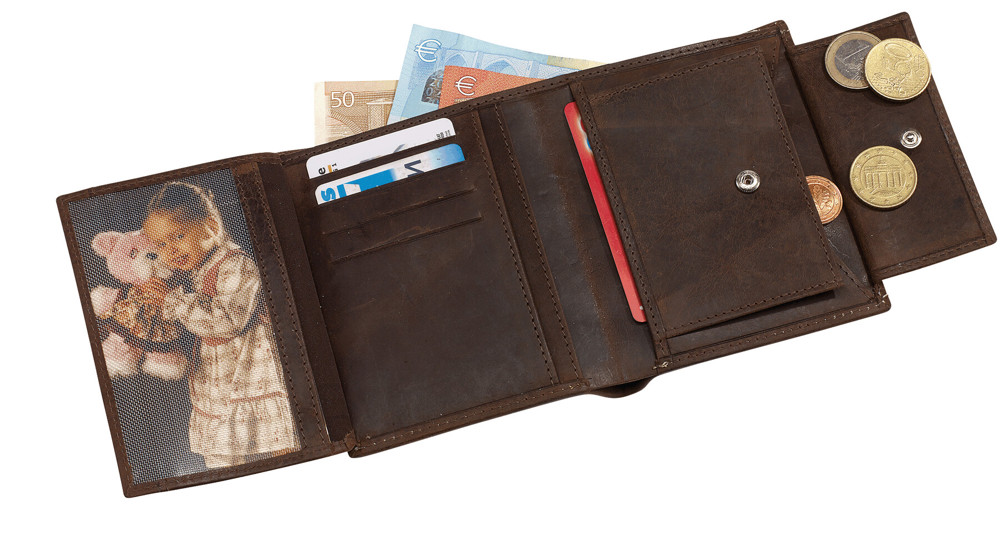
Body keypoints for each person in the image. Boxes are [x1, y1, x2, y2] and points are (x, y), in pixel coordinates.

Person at [140, 181, 299, 469]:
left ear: (211, 227)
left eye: (178, 236)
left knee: (280, 448)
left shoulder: (236, 264)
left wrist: (174, 300)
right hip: (216, 386)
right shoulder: (192, 273)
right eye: (161, 244)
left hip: (251, 378)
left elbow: (226, 321)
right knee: (221, 455)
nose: (170, 250)